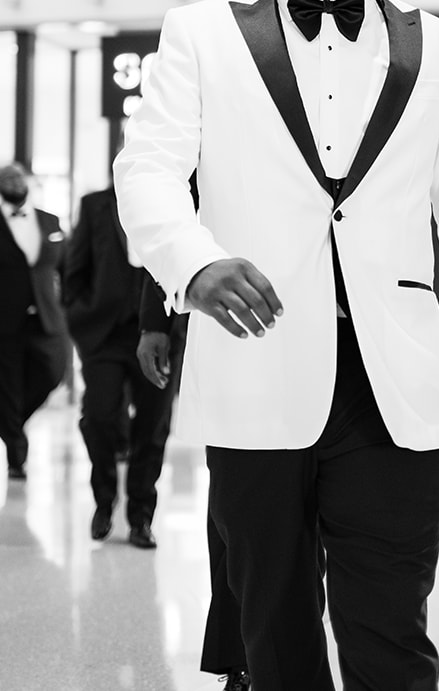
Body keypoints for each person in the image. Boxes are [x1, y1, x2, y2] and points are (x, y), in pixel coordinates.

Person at [113, 0, 439, 690]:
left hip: (398, 380)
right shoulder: (200, 32)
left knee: (390, 629)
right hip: (256, 368)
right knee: (273, 633)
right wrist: (194, 263)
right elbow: (147, 169)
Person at [138, 279, 251, 691]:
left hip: (359, 341)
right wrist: (156, 322)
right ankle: (241, 663)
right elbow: (180, 216)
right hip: (242, 335)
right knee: (238, 517)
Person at [62, 184, 173, 548]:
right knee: (99, 416)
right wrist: (79, 317)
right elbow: (73, 268)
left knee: (152, 427)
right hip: (103, 336)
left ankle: (141, 518)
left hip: (160, 334)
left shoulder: (173, 200)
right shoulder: (95, 205)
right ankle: (104, 501)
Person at [0, 163, 69, 481]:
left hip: (46, 318)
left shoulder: (50, 221)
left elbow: (65, 269)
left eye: (19, 177)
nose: (14, 182)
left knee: (53, 371)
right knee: (2, 388)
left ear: (29, 182)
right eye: (7, 179)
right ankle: (16, 455)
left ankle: (13, 423)